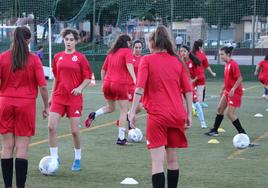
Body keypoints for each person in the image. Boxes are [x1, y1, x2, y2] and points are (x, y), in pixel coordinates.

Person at [128, 26, 192, 188]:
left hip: (158, 116)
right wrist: (189, 114)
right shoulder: (177, 60)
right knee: (172, 159)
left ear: (153, 42)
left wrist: (132, 111)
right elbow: (188, 89)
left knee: (157, 163)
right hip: (177, 115)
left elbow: (139, 88)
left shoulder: (147, 60)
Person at [0, 26, 49, 188]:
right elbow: (43, 86)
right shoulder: (34, 59)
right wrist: (46, 107)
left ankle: (7, 186)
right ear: (29, 40)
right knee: (22, 147)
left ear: (12, 38)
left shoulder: (3, 58)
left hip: (5, 102)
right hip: (26, 104)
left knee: (7, 147)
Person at [48, 28, 92, 171]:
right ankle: (54, 158)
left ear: (76, 41)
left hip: (74, 98)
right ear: (64, 40)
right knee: (51, 127)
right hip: (59, 97)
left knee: (74, 131)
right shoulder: (57, 57)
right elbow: (56, 77)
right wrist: (51, 94)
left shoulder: (80, 58)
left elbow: (87, 77)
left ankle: (77, 158)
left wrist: (80, 88)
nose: (68, 42)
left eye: (71, 40)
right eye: (66, 39)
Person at [85, 34, 136, 146]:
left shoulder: (111, 52)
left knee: (111, 107)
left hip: (107, 83)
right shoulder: (127, 51)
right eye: (130, 42)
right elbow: (129, 65)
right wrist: (135, 78)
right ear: (126, 42)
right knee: (123, 111)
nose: (130, 44)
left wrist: (104, 83)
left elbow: (103, 70)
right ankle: (121, 138)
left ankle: (94, 114)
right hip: (120, 84)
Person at [205, 46, 247, 136]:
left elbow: (240, 78)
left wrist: (233, 88)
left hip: (235, 93)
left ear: (228, 54)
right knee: (220, 109)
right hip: (227, 91)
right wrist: (222, 89)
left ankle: (242, 133)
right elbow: (228, 79)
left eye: (222, 54)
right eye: (220, 54)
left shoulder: (233, 64)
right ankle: (214, 130)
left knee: (229, 113)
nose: (220, 56)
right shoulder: (227, 64)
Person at [179, 45, 207, 129]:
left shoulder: (192, 62)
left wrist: (191, 81)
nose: (182, 53)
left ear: (188, 52)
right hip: (179, 87)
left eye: (184, 51)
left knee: (197, 104)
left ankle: (202, 122)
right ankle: (181, 122)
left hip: (189, 88)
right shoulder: (179, 61)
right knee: (178, 105)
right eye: (181, 51)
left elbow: (196, 76)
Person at [192, 39, 216, 108]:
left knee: (191, 92)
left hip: (192, 77)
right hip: (200, 76)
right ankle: (198, 108)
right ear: (200, 47)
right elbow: (207, 65)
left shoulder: (190, 54)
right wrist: (212, 73)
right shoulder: (202, 54)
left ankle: (193, 107)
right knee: (199, 94)